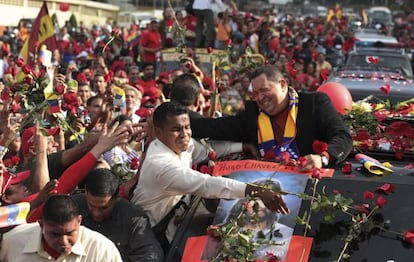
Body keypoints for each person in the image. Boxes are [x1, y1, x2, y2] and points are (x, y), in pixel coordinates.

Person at [130, 102, 289, 249]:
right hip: (151, 234)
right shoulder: (160, 164)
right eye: (176, 129)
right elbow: (205, 184)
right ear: (158, 132)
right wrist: (257, 191)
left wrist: (242, 146)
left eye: (187, 127)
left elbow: (207, 151)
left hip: (177, 224)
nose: (184, 134)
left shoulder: (180, 143)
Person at [190, 65, 353, 171]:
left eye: (264, 90)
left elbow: (342, 137)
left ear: (283, 85)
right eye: (255, 93)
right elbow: (212, 127)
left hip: (310, 188)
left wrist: (322, 158)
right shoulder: (252, 115)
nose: (260, 98)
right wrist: (170, 114)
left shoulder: (314, 104)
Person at [72, 168, 164, 262]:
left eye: (104, 208)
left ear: (118, 197)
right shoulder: (71, 208)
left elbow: (151, 253)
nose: (96, 213)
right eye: (91, 205)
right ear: (86, 192)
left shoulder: (133, 218)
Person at [0, 194, 123, 261]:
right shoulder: (12, 243)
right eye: (55, 234)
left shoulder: (102, 249)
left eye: (70, 233)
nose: (64, 241)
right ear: (41, 224)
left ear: (79, 221)